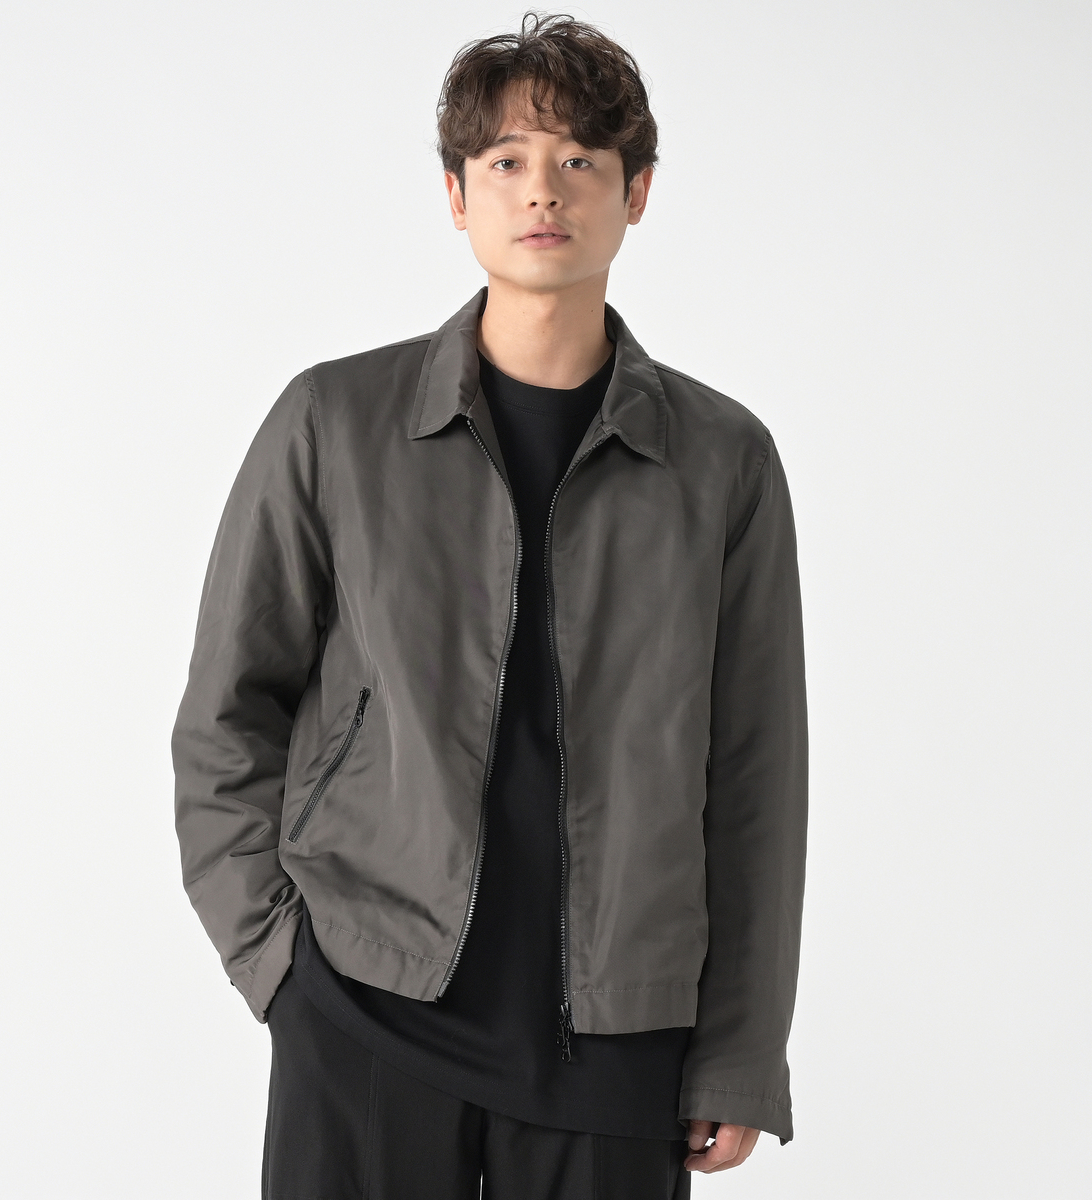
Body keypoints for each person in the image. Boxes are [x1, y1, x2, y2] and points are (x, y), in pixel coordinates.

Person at [172, 12, 809, 1199]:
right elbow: (227, 714)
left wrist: (738, 1050)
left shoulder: (722, 460)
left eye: (581, 160)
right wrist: (274, 959)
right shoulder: (335, 424)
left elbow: (755, 775)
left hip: (617, 1035)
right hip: (366, 1003)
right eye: (508, 159)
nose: (543, 190)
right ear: (457, 196)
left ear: (637, 193)